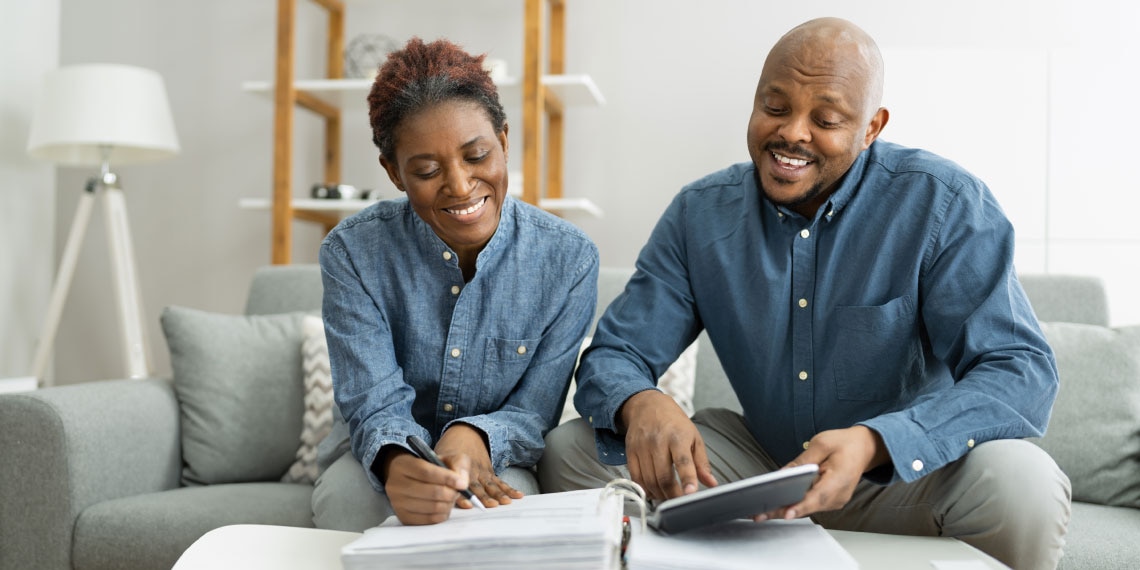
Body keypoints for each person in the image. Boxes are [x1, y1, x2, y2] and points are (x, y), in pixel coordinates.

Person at [538, 17, 1070, 569]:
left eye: (826, 119)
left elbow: (1021, 370)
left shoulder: (944, 203)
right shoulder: (699, 214)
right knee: (571, 452)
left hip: (896, 474)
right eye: (775, 107)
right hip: (759, 468)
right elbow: (615, 353)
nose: (793, 132)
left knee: (1023, 484)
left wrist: (876, 441)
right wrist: (639, 402)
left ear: (871, 128)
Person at [313, 37, 599, 531]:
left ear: (504, 142)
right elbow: (370, 400)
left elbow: (534, 411)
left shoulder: (569, 260)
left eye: (476, 155)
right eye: (426, 170)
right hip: (383, 454)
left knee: (497, 519)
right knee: (348, 502)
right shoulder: (352, 252)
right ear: (394, 173)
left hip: (496, 457)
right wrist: (400, 463)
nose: (461, 186)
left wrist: (472, 435)